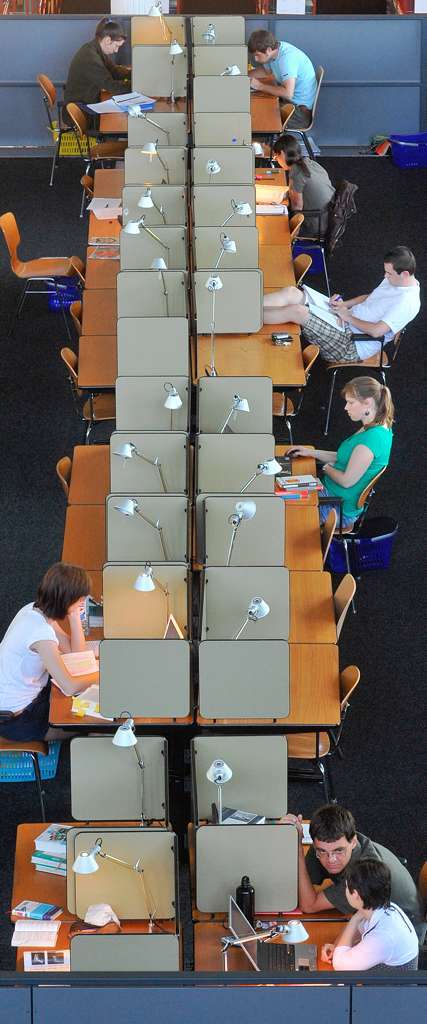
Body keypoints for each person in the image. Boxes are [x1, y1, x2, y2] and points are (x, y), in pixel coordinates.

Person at [284, 805, 425, 941]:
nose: (331, 860)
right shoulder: (325, 846)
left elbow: (309, 905)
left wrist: (297, 849)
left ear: (353, 842)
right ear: (314, 845)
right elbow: (298, 885)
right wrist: (284, 837)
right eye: (322, 851)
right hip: (366, 918)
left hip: (403, 933)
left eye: (339, 851)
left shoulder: (362, 874)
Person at [263, 245, 420, 363]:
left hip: (351, 344)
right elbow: (369, 297)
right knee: (292, 292)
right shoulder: (394, 280)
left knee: (297, 311)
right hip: (344, 320)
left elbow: (377, 331)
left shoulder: (407, 302)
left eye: (389, 273)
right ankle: (249, 305)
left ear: (405, 274)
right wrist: (344, 305)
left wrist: (347, 316)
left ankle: (246, 318)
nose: (385, 276)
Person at [0, 562, 97, 741]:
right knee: (89, 722)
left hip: (22, 699)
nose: (84, 602)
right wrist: (105, 676)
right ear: (66, 600)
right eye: (81, 599)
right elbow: (70, 686)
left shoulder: (33, 609)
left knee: (76, 698)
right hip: (16, 719)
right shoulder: (41, 634)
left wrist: (75, 616)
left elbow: (74, 654)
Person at [288, 376, 394, 528]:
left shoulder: (371, 440)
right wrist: (311, 453)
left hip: (336, 506)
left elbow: (346, 481)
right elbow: (343, 456)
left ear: (367, 403)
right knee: (283, 489)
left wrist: (326, 468)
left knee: (283, 509)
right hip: (330, 492)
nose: (346, 407)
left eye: (351, 402)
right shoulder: (374, 425)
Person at [321, 860, 419, 971]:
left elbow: (340, 966)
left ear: (355, 895)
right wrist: (337, 947)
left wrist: (354, 920)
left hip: (388, 987)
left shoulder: (383, 936)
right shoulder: (383, 907)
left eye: (347, 887)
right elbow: (357, 933)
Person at [247, 30, 316, 130]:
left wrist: (259, 86)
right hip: (290, 104)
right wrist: (243, 76)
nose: (256, 59)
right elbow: (265, 71)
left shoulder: (287, 59)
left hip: (299, 114)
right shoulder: (277, 50)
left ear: (269, 50)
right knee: (258, 108)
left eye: (257, 55)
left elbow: (288, 93)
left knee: (257, 113)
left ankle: (263, 143)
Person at [272, 133, 335, 237]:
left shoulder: (297, 173)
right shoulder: (309, 162)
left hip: (316, 224)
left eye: (276, 156)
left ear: (282, 154)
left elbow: (297, 207)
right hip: (328, 217)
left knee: (275, 225)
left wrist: (293, 236)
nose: (277, 160)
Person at [64, 17, 130, 109]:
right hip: (82, 109)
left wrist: (133, 74)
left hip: (88, 101)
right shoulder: (90, 58)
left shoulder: (95, 48)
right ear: (107, 40)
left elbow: (114, 71)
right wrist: (138, 86)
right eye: (116, 46)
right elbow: (112, 86)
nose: (116, 50)